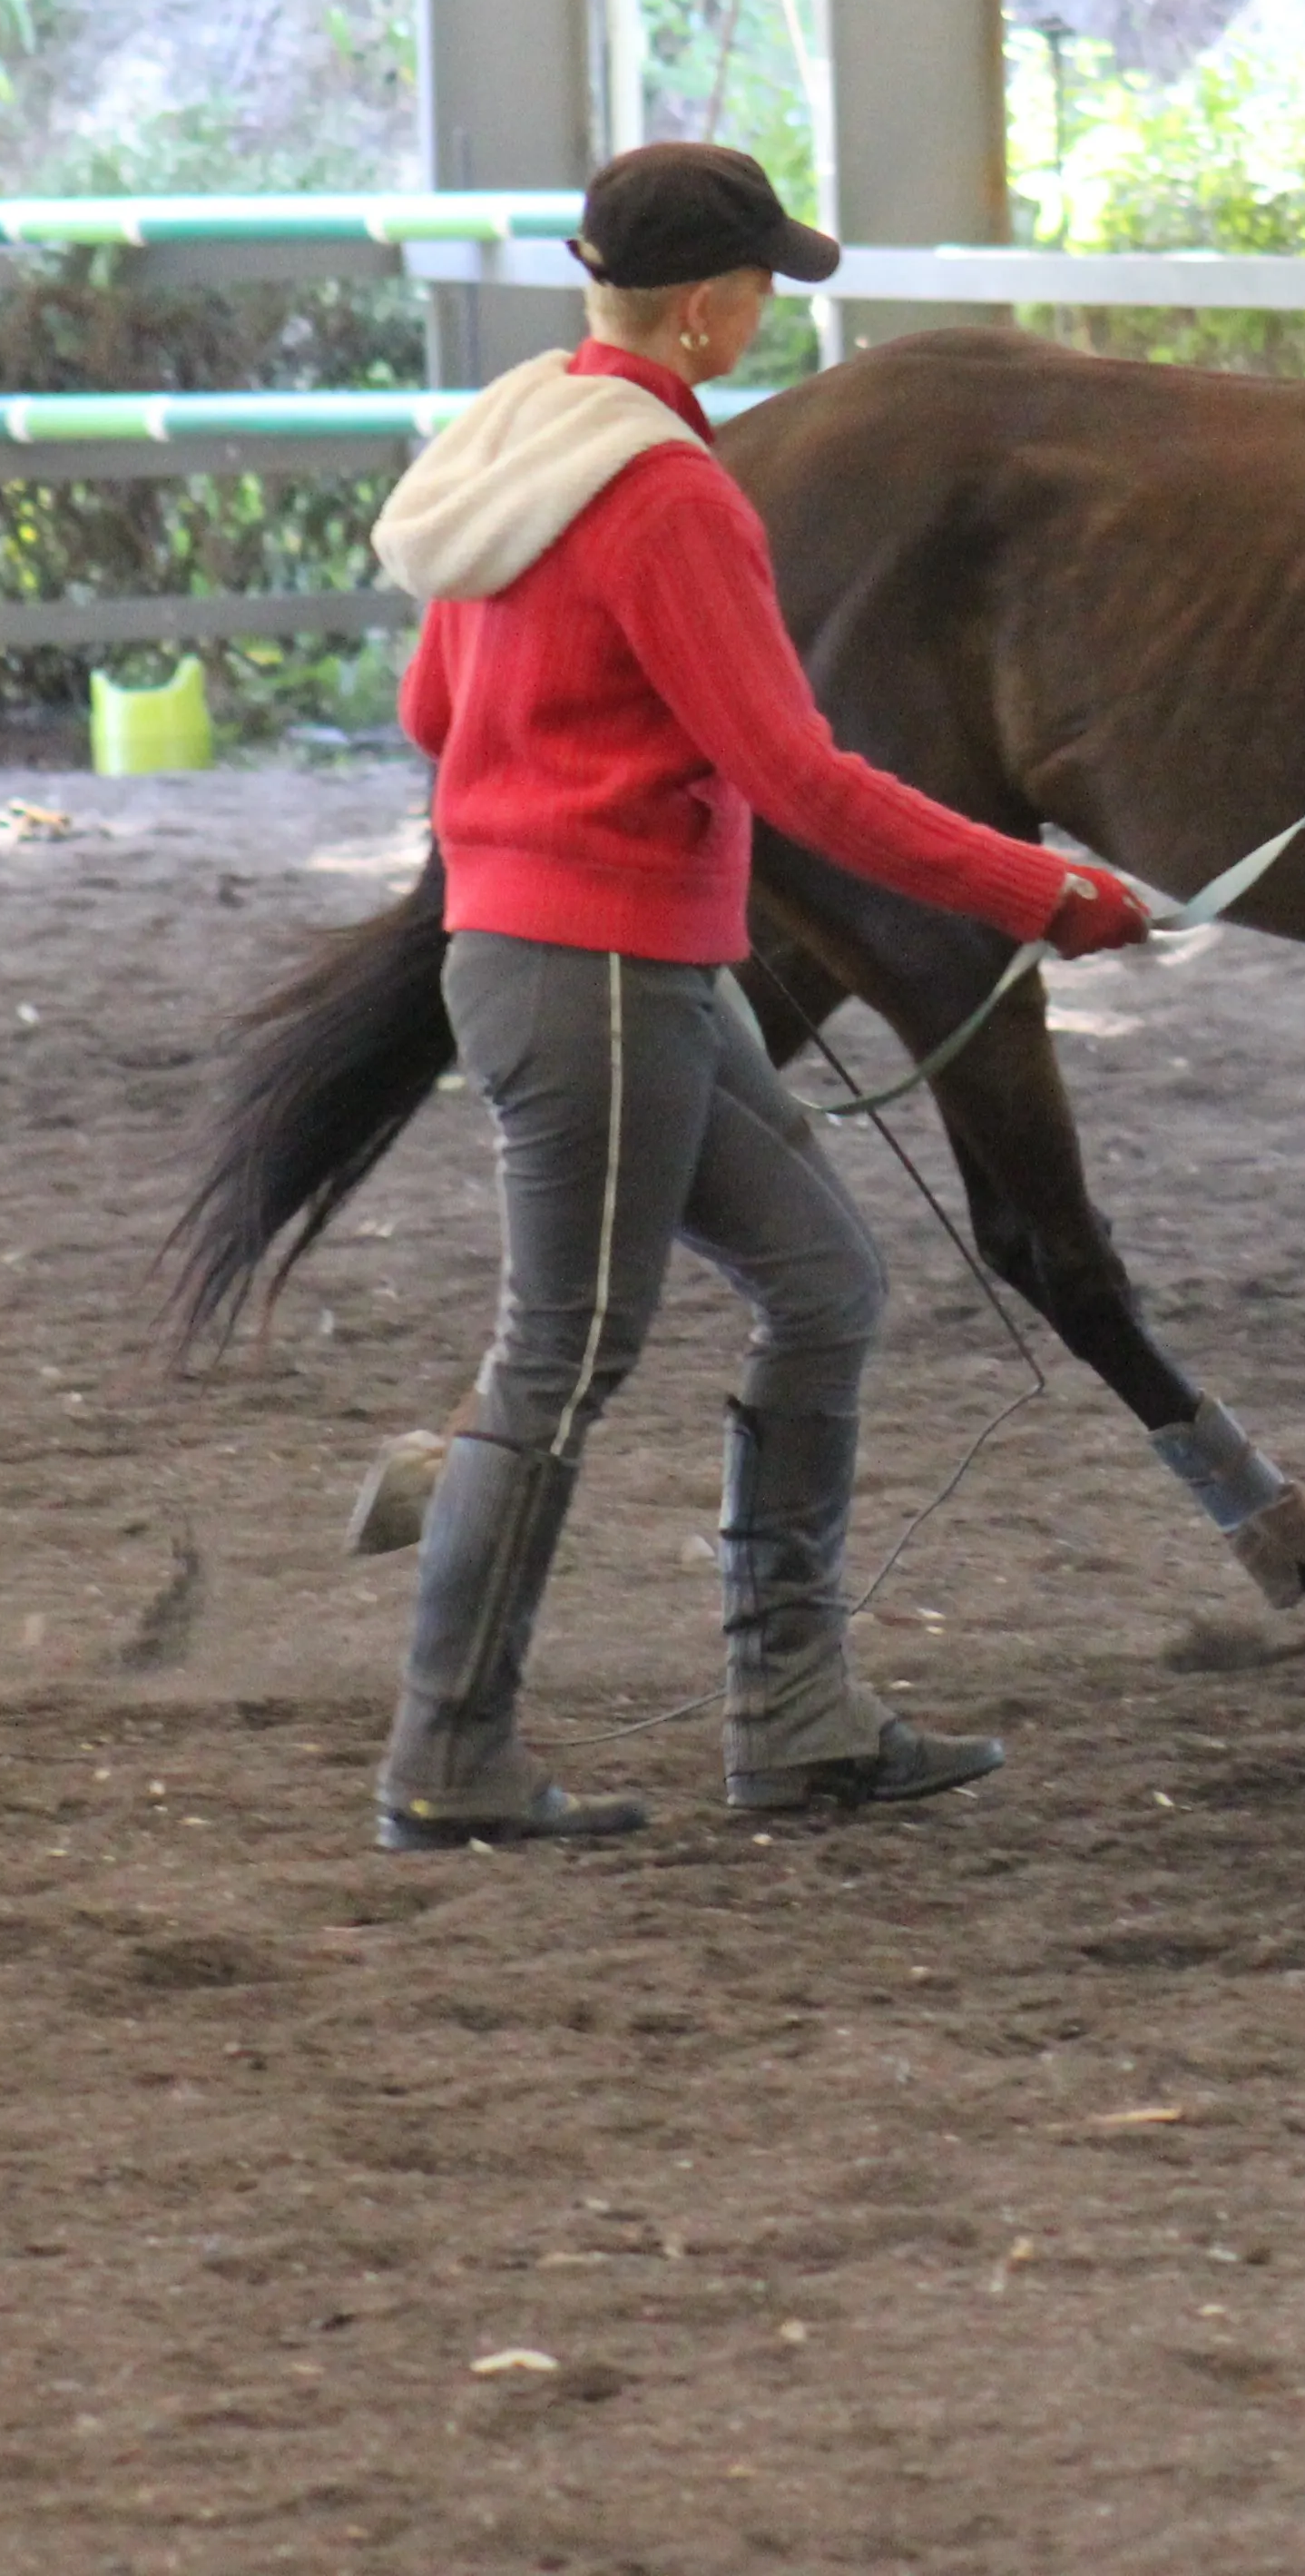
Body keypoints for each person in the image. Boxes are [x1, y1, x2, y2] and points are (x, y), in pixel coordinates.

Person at [358, 141, 1148, 1853]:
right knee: (560, 1362)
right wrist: (1047, 891)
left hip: (589, 952)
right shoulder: (670, 496)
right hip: (602, 967)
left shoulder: (516, 441)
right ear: (710, 311)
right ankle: (444, 1757)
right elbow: (801, 775)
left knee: (825, 1282)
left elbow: (436, 712)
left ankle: (793, 1717)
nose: (767, 309)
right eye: (762, 284)